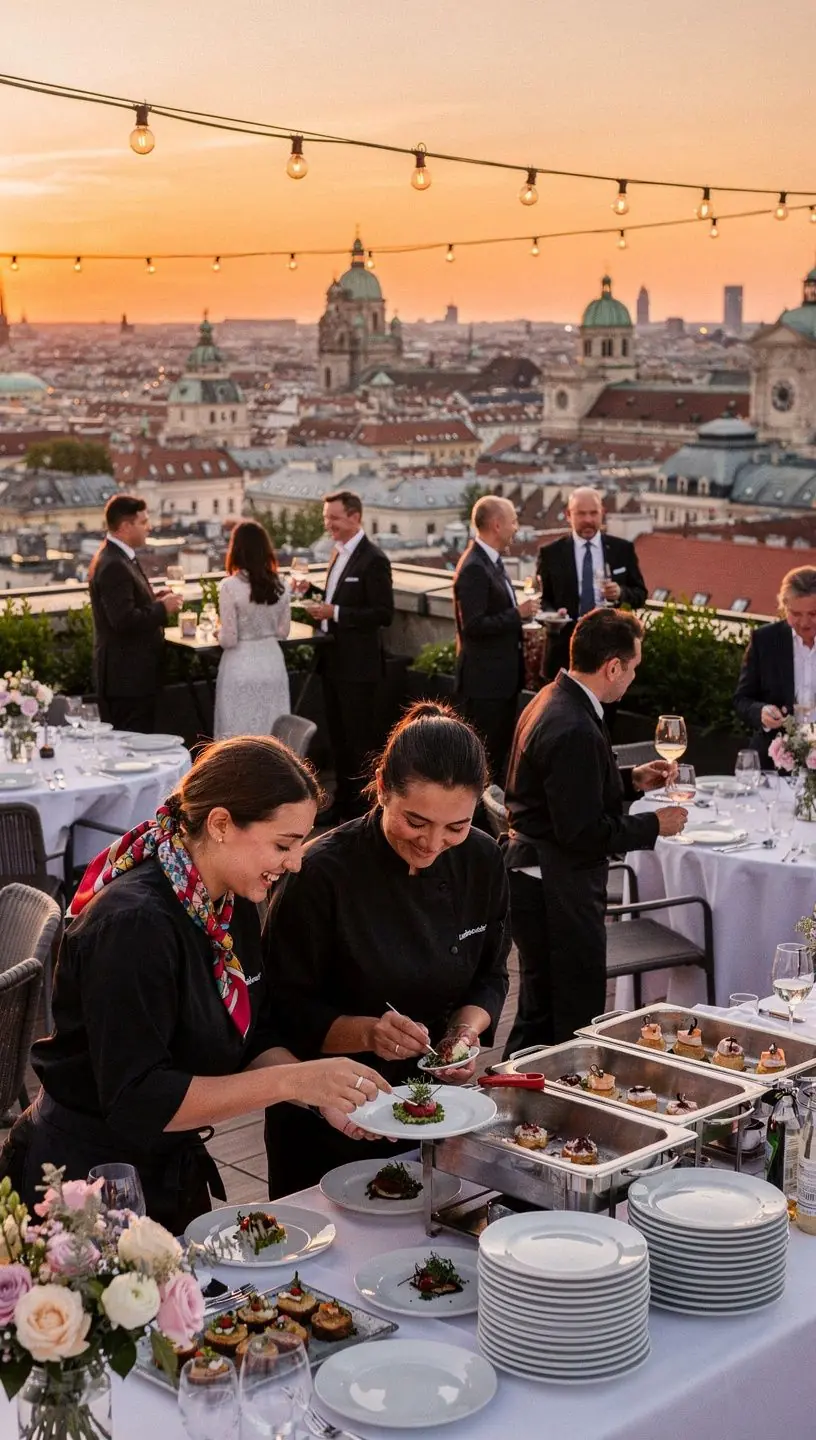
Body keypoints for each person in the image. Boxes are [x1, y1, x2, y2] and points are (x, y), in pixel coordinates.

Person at [0, 737, 389, 1234]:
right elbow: (140, 1097)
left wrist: (320, 1095)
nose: (295, 862)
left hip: (168, 1171)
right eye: (283, 844)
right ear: (221, 824)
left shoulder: (229, 903)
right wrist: (293, 1082)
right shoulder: (134, 925)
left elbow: (253, 1033)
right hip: (85, 1183)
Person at [262, 701, 511, 1195]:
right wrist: (370, 1033)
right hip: (333, 1117)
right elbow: (279, 1014)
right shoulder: (318, 875)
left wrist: (463, 1035)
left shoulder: (482, 859)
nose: (433, 843)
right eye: (416, 821)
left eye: (455, 827)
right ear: (381, 788)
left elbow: (491, 974)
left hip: (439, 1110)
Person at [502, 608, 687, 1052]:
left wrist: (630, 779)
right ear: (613, 667)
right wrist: (653, 824)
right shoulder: (574, 726)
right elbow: (581, 832)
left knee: (540, 1009)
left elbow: (564, 792)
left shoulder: (554, 696)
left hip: (536, 876)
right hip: (556, 886)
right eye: (634, 667)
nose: (634, 677)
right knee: (568, 1012)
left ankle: (511, 1086)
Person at [302, 490, 394, 821]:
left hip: (358, 667)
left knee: (359, 741)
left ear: (355, 517)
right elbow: (338, 597)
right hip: (334, 663)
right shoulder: (337, 553)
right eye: (326, 518)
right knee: (338, 738)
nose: (328, 524)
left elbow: (383, 613)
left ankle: (361, 811)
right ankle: (342, 803)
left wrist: (335, 612)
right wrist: (310, 592)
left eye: (334, 518)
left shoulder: (374, 559)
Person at [452, 495, 538, 782]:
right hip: (484, 685)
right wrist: (518, 614)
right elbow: (473, 625)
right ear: (497, 525)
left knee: (496, 755)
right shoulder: (475, 567)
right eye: (513, 521)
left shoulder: (490, 561)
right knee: (483, 759)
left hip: (498, 682)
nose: (516, 528)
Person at [88, 494, 183, 732]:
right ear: (125, 526)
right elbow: (124, 620)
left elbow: (126, 605)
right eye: (143, 522)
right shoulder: (114, 564)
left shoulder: (118, 556)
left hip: (131, 680)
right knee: (132, 743)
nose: (149, 527)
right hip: (127, 681)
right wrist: (162, 608)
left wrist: (153, 599)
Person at [536, 487, 647, 681]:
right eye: (581, 513)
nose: (588, 519)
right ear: (568, 515)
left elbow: (640, 594)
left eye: (593, 513)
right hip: (563, 651)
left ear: (603, 513)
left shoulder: (622, 550)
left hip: (611, 652)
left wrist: (621, 592)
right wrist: (554, 616)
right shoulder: (551, 554)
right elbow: (543, 601)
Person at [214, 520, 291, 739]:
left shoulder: (229, 586)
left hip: (240, 665)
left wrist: (217, 632)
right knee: (271, 732)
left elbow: (229, 639)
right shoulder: (282, 585)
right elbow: (283, 631)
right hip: (272, 663)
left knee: (238, 734)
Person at [734, 566, 816, 767]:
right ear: (784, 607)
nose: (805, 623)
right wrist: (761, 712)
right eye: (796, 614)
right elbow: (742, 699)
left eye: (814, 614)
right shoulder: (765, 640)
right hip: (773, 762)